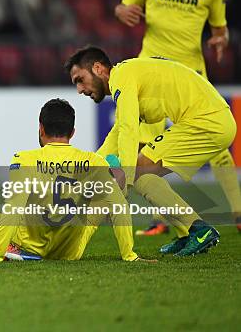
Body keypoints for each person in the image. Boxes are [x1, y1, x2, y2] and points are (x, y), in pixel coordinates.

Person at [113, 0, 240, 234]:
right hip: (152, 73)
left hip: (190, 75)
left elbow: (220, 28)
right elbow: (124, 5)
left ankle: (237, 212)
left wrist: (221, 39)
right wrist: (121, 12)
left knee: (218, 147)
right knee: (147, 149)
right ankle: (161, 220)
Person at [65, 46, 234, 256]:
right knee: (141, 176)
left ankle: (198, 230)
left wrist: (124, 182)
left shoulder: (122, 77)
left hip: (206, 121)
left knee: (137, 171)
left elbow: (129, 130)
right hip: (212, 119)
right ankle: (188, 232)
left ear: (98, 68)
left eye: (80, 80)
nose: (80, 90)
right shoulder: (127, 76)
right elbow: (118, 134)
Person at [0, 99, 145, 263]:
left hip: (29, 245)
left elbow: (14, 208)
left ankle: (13, 249)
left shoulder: (24, 159)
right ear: (72, 132)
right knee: (111, 193)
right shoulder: (93, 161)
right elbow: (119, 206)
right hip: (70, 251)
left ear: (41, 128)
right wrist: (129, 255)